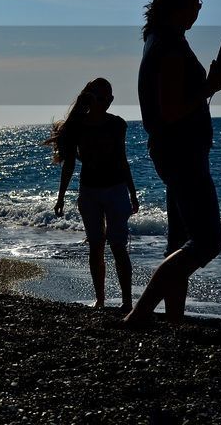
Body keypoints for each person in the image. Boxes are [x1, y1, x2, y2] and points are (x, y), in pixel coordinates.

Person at [123, 0, 221, 327]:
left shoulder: (159, 39)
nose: (199, 8)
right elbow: (172, 110)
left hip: (174, 151)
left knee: (180, 240)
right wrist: (211, 86)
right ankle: (140, 314)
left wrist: (207, 88)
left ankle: (173, 320)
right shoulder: (169, 46)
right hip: (183, 153)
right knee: (207, 242)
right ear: (182, 1)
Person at [45, 77, 141, 311]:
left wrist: (133, 193)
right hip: (89, 192)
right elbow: (68, 165)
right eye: (101, 97)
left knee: (118, 245)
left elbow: (122, 160)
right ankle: (100, 300)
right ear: (91, 98)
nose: (106, 101)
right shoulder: (78, 126)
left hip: (116, 190)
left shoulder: (118, 124)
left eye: (109, 97)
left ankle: (127, 301)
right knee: (96, 245)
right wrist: (60, 198)